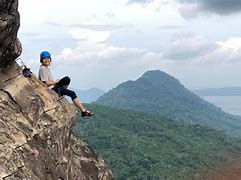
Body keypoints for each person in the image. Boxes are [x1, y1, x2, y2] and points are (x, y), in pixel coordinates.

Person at [38, 51, 94, 117]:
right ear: (41, 60)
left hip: (53, 86)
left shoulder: (46, 68)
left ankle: (61, 93)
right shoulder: (42, 69)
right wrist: (56, 82)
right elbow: (46, 83)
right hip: (51, 89)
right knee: (72, 93)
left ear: (50, 59)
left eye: (48, 58)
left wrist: (56, 81)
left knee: (66, 79)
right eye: (44, 58)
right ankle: (83, 111)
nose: (47, 60)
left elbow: (49, 81)